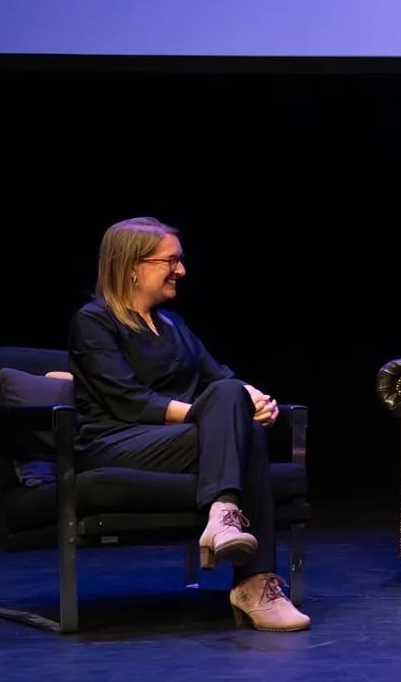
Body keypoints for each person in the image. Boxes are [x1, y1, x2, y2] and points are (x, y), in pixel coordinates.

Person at [67, 217, 310, 632]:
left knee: (240, 411)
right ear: (133, 266)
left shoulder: (173, 325)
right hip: (116, 442)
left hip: (176, 440)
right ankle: (254, 583)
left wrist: (257, 401)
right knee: (239, 423)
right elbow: (129, 402)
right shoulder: (94, 321)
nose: (180, 270)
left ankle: (225, 520)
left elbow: (221, 378)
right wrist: (225, 413)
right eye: (170, 260)